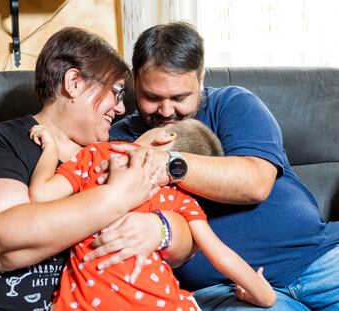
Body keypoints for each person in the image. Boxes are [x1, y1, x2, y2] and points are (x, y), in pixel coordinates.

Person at [0, 27, 185, 311]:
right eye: (116, 92)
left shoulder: (117, 154)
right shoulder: (0, 142)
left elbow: (186, 231)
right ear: (73, 82)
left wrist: (161, 228)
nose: (121, 109)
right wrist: (114, 199)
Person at [109, 22, 339, 310]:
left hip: (319, 258)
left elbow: (256, 183)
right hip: (227, 289)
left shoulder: (232, 104)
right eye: (152, 97)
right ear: (135, 80)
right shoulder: (119, 139)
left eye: (180, 98)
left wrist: (169, 163)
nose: (166, 111)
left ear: (201, 78)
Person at [28, 118, 275, 310]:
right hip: (161, 302)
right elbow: (222, 257)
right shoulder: (182, 201)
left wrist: (50, 148)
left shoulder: (99, 155)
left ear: (166, 137)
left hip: (87, 302)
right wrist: (263, 294)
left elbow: (40, 194)